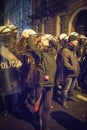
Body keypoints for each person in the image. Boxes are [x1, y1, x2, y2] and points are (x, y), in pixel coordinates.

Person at [26, 34, 58, 130]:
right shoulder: (39, 54)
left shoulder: (51, 52)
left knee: (47, 107)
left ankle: (44, 127)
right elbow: (31, 45)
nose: (47, 40)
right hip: (42, 85)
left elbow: (57, 46)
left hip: (50, 84)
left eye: (47, 39)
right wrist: (29, 36)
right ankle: (36, 117)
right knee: (38, 104)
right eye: (45, 39)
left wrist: (51, 38)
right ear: (40, 43)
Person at [61, 35, 80, 109]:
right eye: (75, 40)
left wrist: (76, 69)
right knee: (66, 88)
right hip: (69, 74)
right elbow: (66, 64)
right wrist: (74, 69)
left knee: (72, 87)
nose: (77, 41)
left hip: (74, 73)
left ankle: (69, 96)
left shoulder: (73, 49)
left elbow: (75, 61)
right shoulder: (65, 50)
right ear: (71, 41)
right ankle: (64, 101)